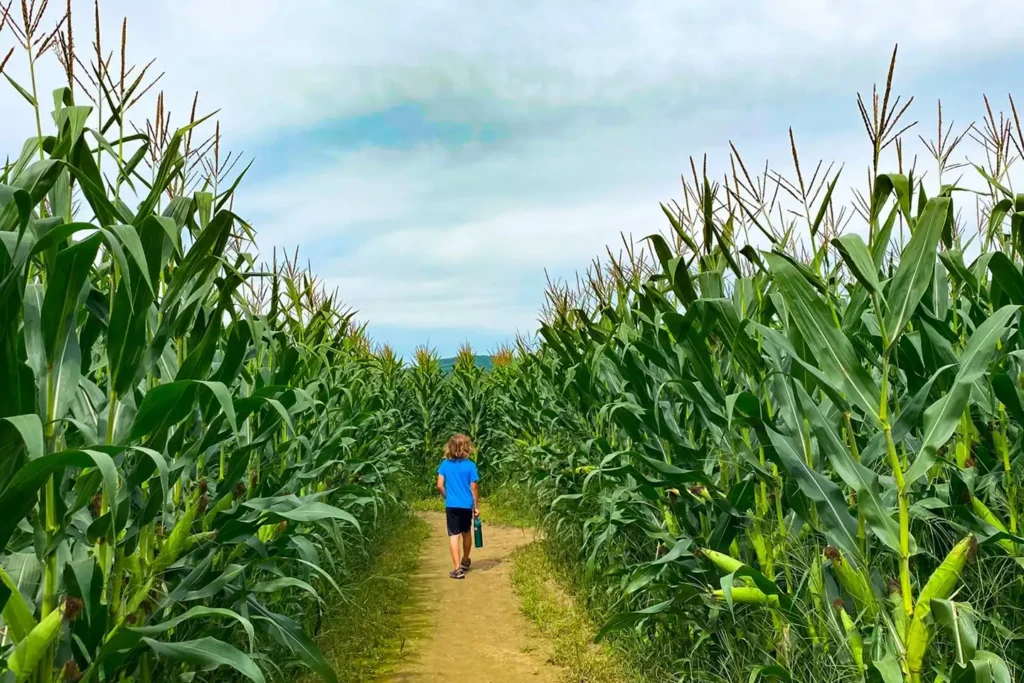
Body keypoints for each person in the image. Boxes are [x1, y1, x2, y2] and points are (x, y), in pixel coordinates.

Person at [436, 433, 480, 579]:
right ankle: (465, 560)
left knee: (454, 536)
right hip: (466, 505)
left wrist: (448, 497)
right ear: (467, 447)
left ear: (450, 447)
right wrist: (476, 506)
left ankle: (457, 569)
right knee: (466, 532)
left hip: (452, 505)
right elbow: (474, 487)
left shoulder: (445, 464)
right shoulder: (470, 465)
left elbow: (439, 485)